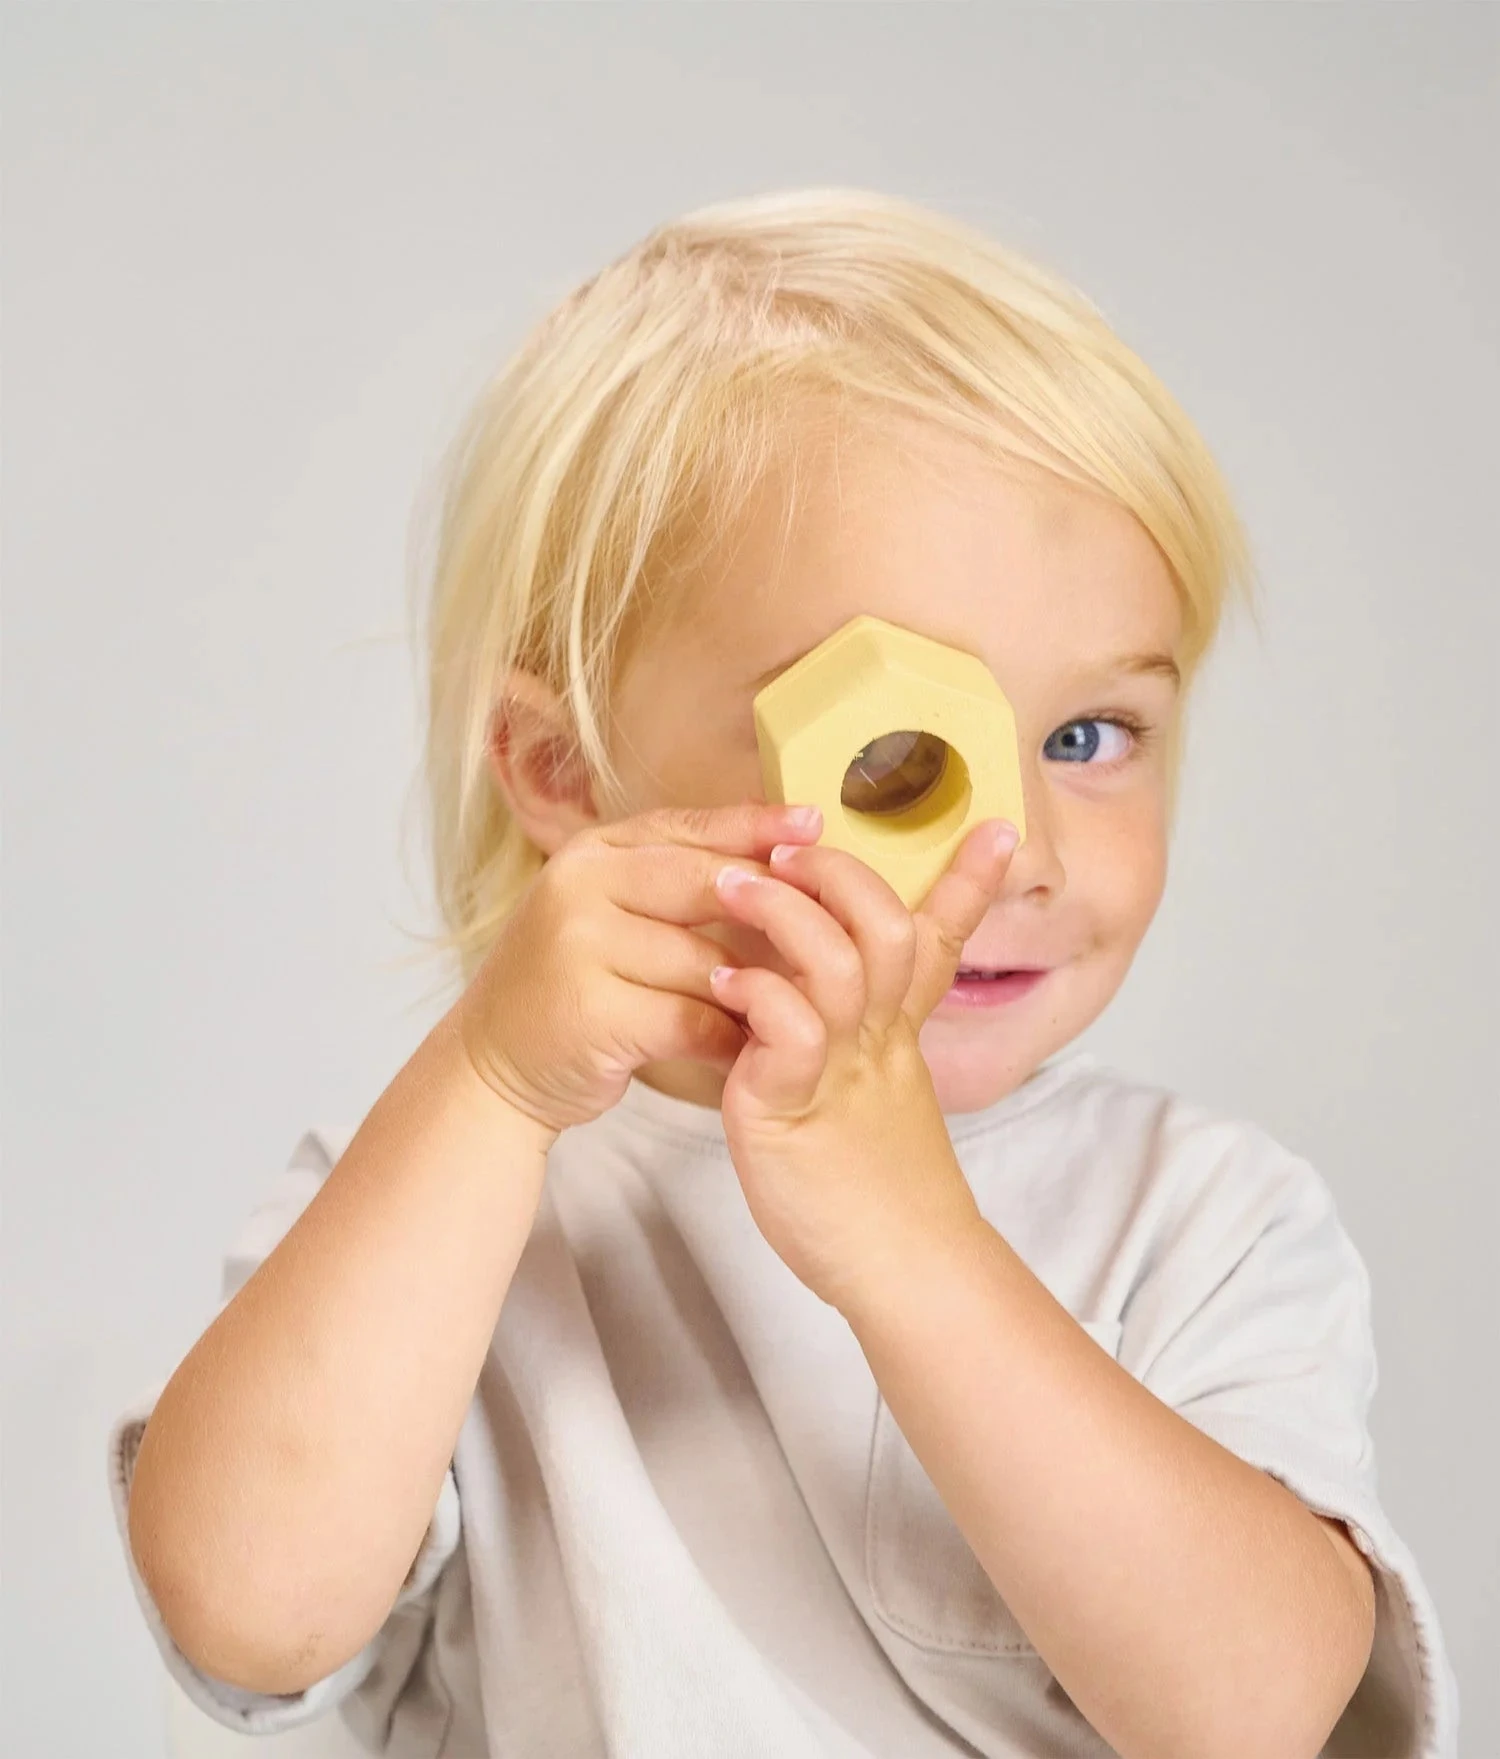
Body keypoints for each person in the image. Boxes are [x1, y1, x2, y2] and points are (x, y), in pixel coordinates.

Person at [107, 188, 1459, 1758]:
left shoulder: (1199, 1218)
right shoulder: (450, 1201)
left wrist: (914, 1244)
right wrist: (486, 1085)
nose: (1020, 852)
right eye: (903, 760)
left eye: (1090, 736)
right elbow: (248, 1612)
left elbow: (1261, 1713)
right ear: (564, 771)